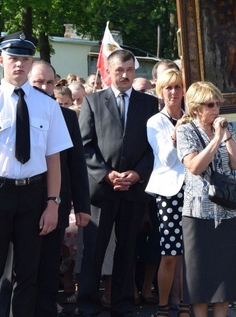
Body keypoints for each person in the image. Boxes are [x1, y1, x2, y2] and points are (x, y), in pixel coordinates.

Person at [0, 31, 69, 316]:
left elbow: (53, 158)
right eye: (13, 58)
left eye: (24, 59)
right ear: (1, 61)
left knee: (27, 275)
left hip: (34, 195)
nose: (18, 64)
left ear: (32, 63)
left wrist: (52, 204)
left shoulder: (48, 106)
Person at [78, 48, 159, 317]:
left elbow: (153, 148)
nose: (125, 75)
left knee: (127, 251)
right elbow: (85, 146)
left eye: (129, 70)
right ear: (108, 73)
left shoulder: (148, 104)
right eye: (119, 70)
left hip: (134, 190)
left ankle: (123, 305)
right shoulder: (93, 102)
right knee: (94, 252)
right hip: (102, 190)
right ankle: (88, 305)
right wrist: (106, 174)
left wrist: (137, 174)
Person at [175, 81, 236, 317]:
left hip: (228, 212)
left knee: (224, 279)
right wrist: (215, 140)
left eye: (218, 103)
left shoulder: (226, 129)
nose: (216, 108)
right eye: (210, 104)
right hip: (199, 213)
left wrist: (225, 136)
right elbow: (194, 166)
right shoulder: (186, 130)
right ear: (196, 108)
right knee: (199, 280)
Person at [27, 60, 91, 317]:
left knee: (51, 260)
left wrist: (82, 206)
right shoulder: (16, 112)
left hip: (58, 202)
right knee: (25, 261)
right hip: (22, 201)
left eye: (49, 82)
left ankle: (46, 306)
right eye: (38, 82)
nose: (44, 87)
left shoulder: (66, 116)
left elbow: (76, 163)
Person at [146, 68, 187, 317]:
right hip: (169, 193)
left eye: (178, 87)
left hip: (193, 192)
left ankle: (183, 303)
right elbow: (167, 159)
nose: (173, 92)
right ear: (161, 91)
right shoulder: (156, 121)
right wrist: (176, 134)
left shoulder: (192, 117)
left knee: (189, 254)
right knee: (170, 253)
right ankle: (163, 306)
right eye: (168, 88)